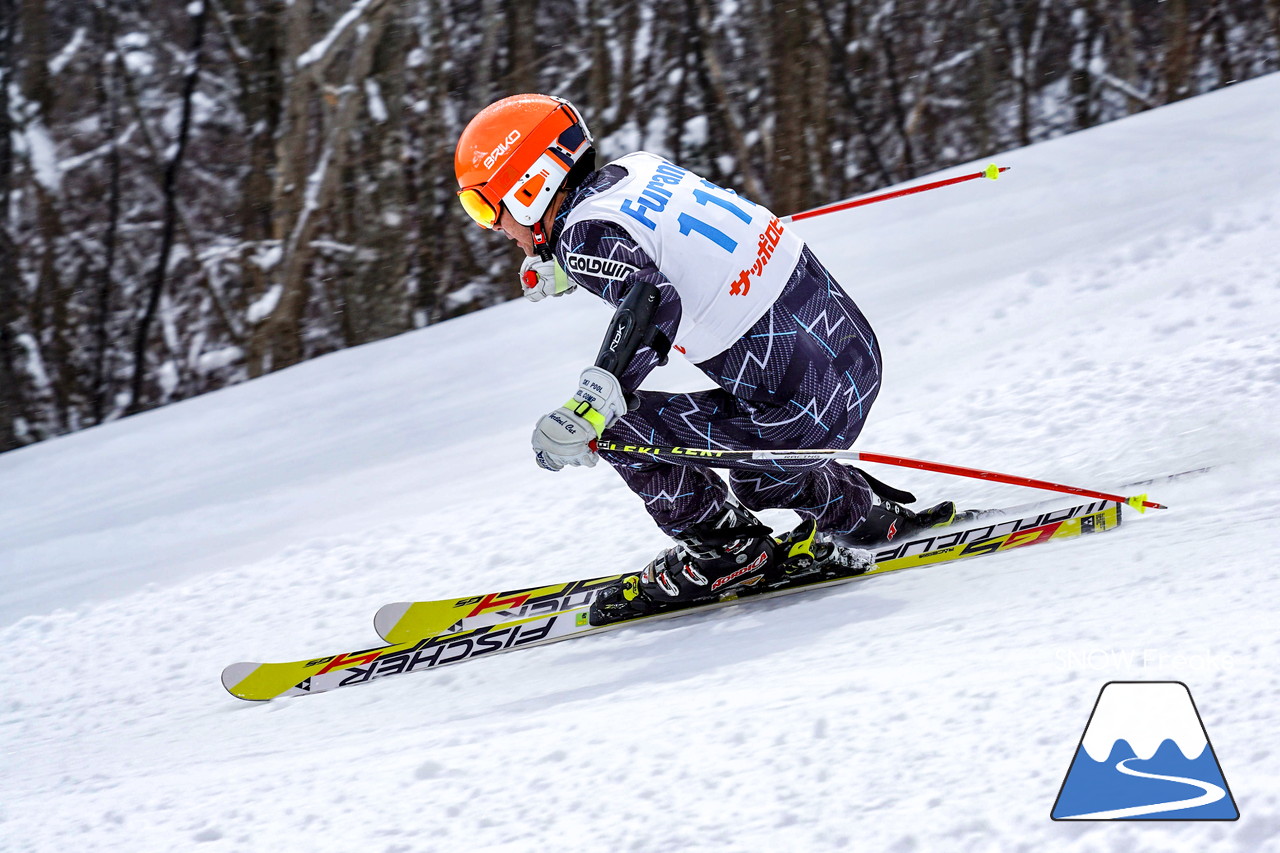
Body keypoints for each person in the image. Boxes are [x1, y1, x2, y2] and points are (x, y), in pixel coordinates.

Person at [453, 94, 954, 624]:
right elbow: (671, 241)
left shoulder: (586, 236)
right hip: (853, 365)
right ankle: (862, 517)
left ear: (530, 184)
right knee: (760, 467)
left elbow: (654, 297)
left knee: (618, 430)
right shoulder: (637, 169)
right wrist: (565, 262)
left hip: (804, 418)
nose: (493, 228)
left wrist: (590, 406)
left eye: (485, 207)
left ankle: (727, 554)